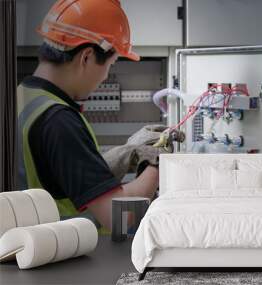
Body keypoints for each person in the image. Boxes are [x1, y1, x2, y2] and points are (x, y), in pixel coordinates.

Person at [17, 0, 159, 230]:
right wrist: (157, 164)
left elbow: (64, 174)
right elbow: (121, 218)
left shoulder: (25, 99)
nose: (105, 76)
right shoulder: (58, 121)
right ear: (86, 57)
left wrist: (126, 151)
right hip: (66, 258)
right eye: (110, 65)